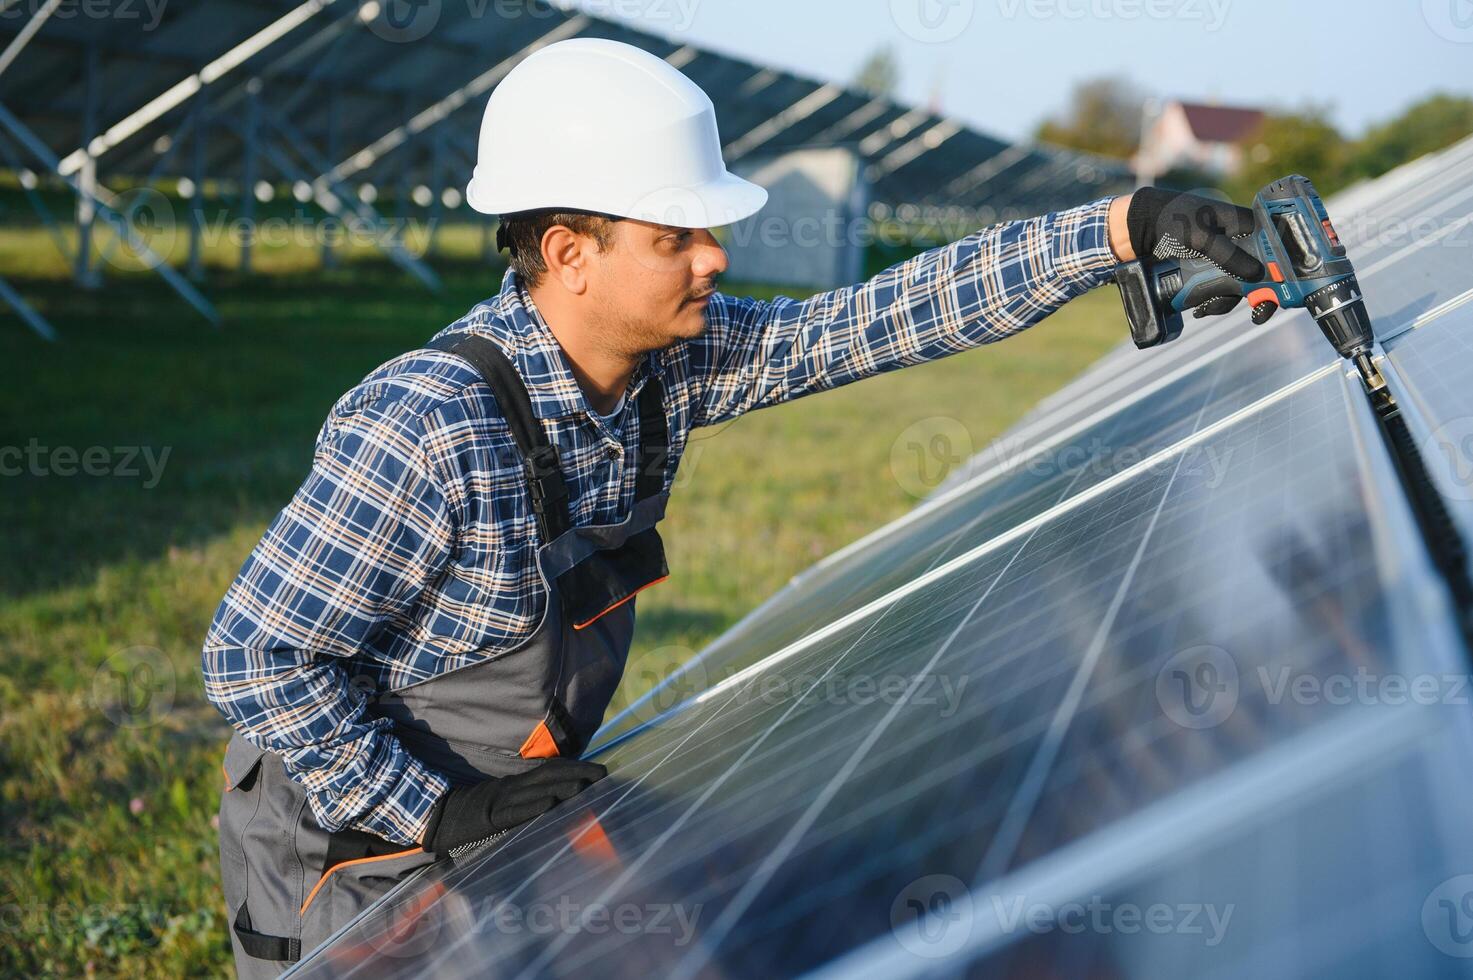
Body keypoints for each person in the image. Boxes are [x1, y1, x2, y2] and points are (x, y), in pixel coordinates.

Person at [202, 37, 1267, 976]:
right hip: (360, 866)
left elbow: (873, 319)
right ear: (570, 253)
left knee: (781, 904)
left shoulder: (669, 368)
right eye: (676, 236)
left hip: (519, 807)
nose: (716, 257)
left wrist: (1121, 227)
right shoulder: (431, 424)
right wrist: (428, 807)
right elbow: (255, 655)